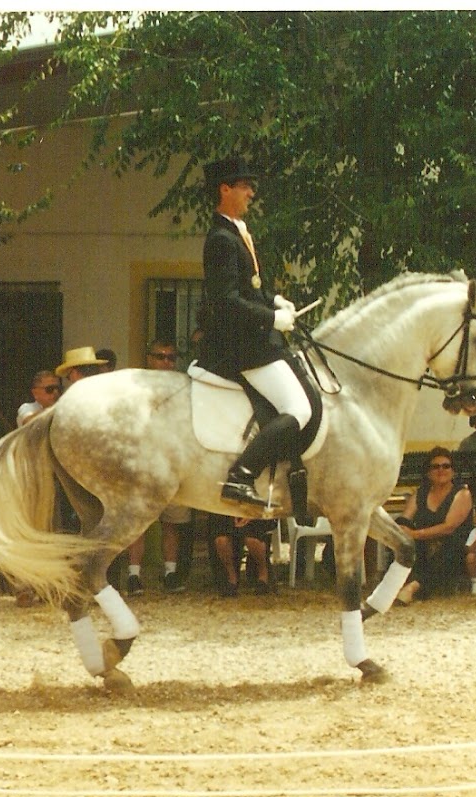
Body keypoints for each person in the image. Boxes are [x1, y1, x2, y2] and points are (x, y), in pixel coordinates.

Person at [198, 156, 312, 510]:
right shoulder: (221, 238)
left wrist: (275, 300)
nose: (251, 193)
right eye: (245, 186)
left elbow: (251, 286)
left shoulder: (237, 231)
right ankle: (241, 475)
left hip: (258, 339)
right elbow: (226, 300)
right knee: (299, 409)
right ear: (225, 189)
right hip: (242, 345)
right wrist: (271, 318)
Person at [129, 338, 192, 593]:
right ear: (149, 358)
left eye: (171, 357)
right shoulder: (137, 385)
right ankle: (134, 575)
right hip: (144, 463)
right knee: (138, 524)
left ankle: (170, 573)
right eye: (160, 356)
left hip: (173, 463)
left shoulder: (183, 386)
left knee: (172, 524)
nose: (166, 362)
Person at [394, 446, 473, 604]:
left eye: (446, 466)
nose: (441, 470)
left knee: (450, 548)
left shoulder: (462, 494)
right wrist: (403, 530)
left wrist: (415, 534)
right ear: (428, 472)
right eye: (435, 467)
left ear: (453, 471)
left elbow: (449, 527)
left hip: (453, 546)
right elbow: (405, 518)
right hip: (424, 544)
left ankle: (412, 588)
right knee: (403, 541)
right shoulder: (420, 494)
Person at [207, 513, 274, 597]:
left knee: (252, 539)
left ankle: (263, 574)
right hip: (229, 511)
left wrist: (250, 515)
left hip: (258, 511)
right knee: (221, 540)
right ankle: (231, 577)